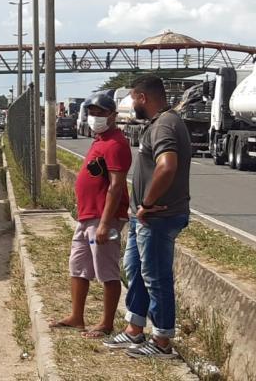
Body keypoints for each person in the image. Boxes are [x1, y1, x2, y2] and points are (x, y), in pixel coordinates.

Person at [103, 75, 192, 359]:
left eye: (133, 98)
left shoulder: (165, 124)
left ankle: (162, 341)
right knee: (136, 270)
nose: (132, 105)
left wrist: (147, 203)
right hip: (145, 218)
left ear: (143, 97)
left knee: (156, 277)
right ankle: (134, 329)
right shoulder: (159, 122)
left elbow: (167, 166)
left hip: (157, 217)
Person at [50, 93, 130, 339]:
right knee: (78, 266)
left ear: (112, 115)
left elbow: (116, 186)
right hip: (87, 216)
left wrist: (105, 223)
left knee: (106, 271)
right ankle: (77, 316)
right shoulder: (100, 141)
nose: (95, 117)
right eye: (92, 112)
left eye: (101, 113)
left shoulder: (116, 144)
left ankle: (106, 324)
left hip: (102, 218)